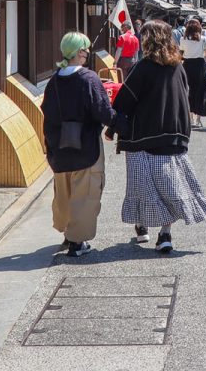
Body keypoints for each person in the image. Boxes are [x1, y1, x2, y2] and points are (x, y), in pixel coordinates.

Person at [111, 20, 206, 253]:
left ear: (149, 39)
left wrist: (112, 126)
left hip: (143, 136)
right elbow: (183, 97)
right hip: (173, 135)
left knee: (142, 185)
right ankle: (165, 233)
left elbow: (125, 100)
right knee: (171, 186)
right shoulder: (177, 66)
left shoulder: (143, 67)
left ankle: (142, 226)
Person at [41, 32, 126, 257]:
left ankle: (68, 234)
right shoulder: (89, 79)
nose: (87, 53)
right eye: (86, 49)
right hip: (86, 145)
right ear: (79, 52)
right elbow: (102, 111)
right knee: (85, 193)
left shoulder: (54, 80)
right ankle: (78, 242)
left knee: (64, 192)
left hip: (59, 146)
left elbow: (46, 112)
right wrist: (121, 124)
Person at [179, 18, 206, 128]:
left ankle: (190, 117)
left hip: (187, 65)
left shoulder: (183, 39)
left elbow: (181, 53)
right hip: (200, 65)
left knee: (188, 91)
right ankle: (198, 119)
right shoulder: (203, 39)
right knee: (201, 91)